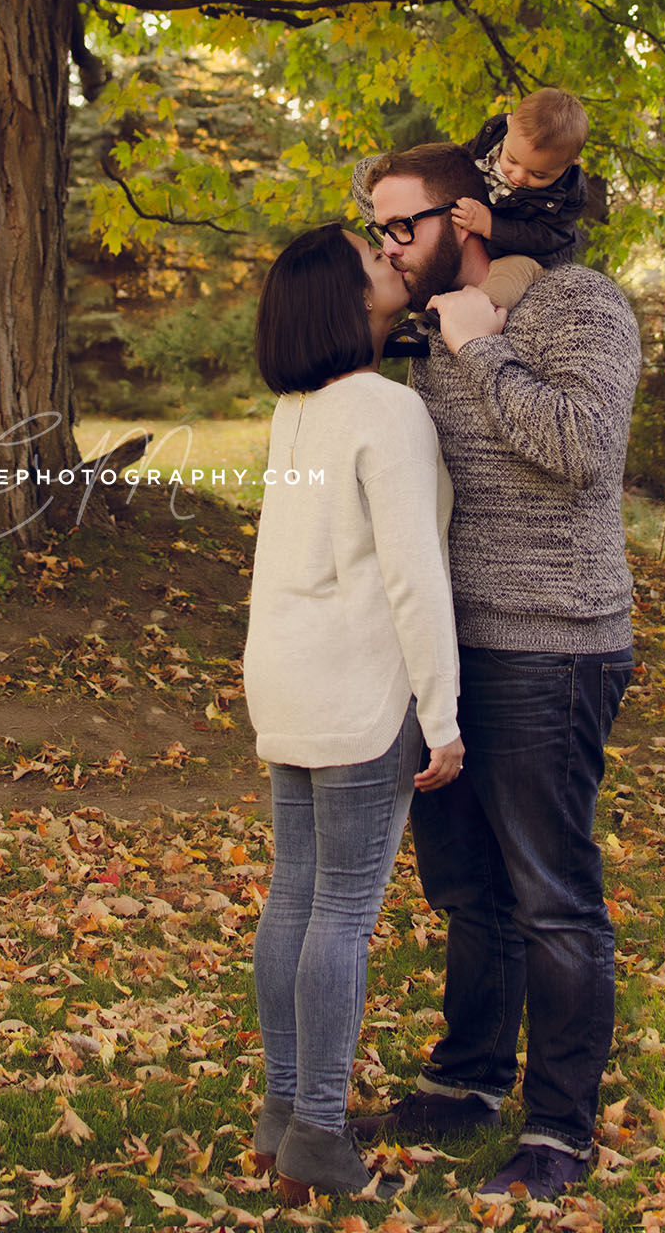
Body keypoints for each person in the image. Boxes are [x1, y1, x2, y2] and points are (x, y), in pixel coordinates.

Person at [350, 141, 640, 1204]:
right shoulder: (418, 332)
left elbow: (579, 446)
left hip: (550, 642)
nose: (387, 244)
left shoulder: (579, 306)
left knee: (551, 896)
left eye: (401, 224)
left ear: (465, 217)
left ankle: (558, 1128)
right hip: (447, 654)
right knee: (468, 890)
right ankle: (466, 1082)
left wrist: (483, 349)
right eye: (377, 227)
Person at [243, 222, 465, 1205]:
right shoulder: (386, 410)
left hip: (285, 681)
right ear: (343, 300)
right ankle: (321, 1133)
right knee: (339, 908)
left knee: (293, 895)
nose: (392, 265)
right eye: (373, 262)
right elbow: (416, 578)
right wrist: (442, 710)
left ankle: (281, 1114)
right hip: (358, 691)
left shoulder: (295, 414)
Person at [454, 86, 590, 308]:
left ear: (570, 163)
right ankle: (422, 316)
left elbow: (546, 237)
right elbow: (460, 161)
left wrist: (491, 226)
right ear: (509, 126)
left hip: (530, 252)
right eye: (512, 160)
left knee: (506, 279)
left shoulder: (568, 195)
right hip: (480, 228)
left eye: (538, 174)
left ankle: (481, 311)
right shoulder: (491, 137)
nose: (518, 176)